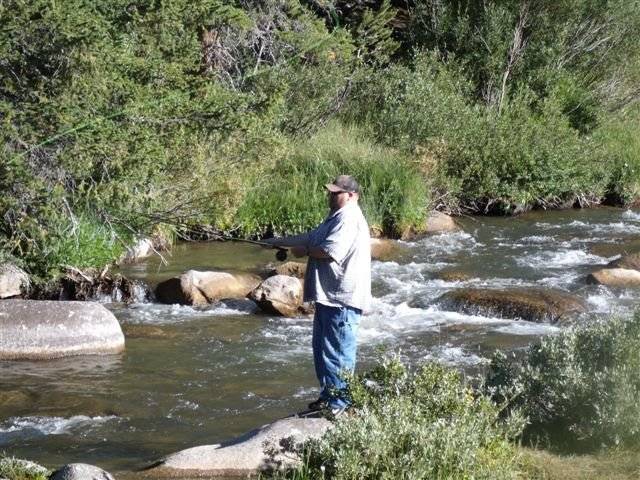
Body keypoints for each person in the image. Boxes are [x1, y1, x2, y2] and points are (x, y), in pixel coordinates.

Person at [264, 175, 371, 414]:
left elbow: (329, 251)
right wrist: (276, 242)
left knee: (337, 352)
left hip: (342, 299)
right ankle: (329, 397)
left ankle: (339, 405)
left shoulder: (349, 218)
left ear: (352, 196)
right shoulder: (336, 217)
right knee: (323, 351)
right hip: (328, 297)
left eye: (337, 193)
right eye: (331, 192)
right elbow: (311, 238)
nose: (331, 196)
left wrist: (302, 252)